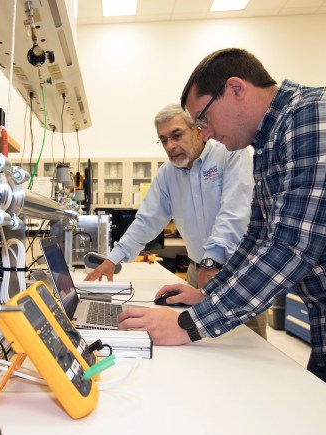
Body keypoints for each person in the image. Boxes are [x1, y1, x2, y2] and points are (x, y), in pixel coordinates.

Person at [118, 48, 326, 410]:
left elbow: (291, 247)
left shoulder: (317, 116)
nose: (204, 132)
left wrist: (189, 324)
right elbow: (257, 237)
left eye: (202, 119)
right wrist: (210, 292)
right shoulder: (269, 143)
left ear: (236, 89)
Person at [84, 103, 267, 338]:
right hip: (198, 270)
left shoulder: (230, 155)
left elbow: (233, 214)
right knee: (203, 346)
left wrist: (211, 263)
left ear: (197, 130)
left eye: (176, 135)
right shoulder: (167, 174)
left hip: (240, 271)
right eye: (163, 140)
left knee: (248, 345)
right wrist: (113, 259)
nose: (170, 146)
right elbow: (146, 221)